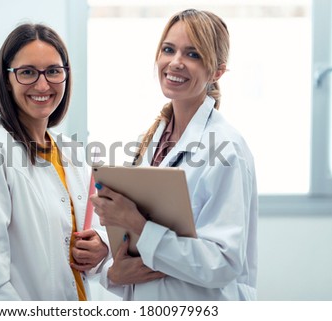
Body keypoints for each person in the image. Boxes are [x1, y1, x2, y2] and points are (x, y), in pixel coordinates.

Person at [91, 9, 258, 300]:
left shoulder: (226, 148)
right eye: (169, 49)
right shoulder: (149, 142)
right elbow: (139, 243)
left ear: (217, 71)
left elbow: (224, 263)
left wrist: (137, 224)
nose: (175, 62)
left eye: (193, 54)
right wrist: (108, 262)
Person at [0, 23, 109, 300]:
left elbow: (90, 234)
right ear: (7, 79)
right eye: (27, 72)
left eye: (53, 71)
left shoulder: (69, 151)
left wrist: (101, 246)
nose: (42, 84)